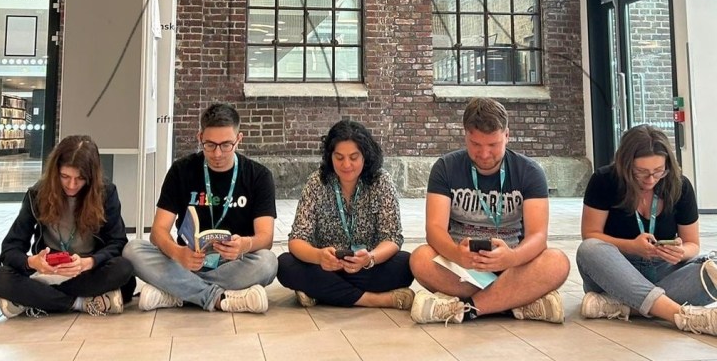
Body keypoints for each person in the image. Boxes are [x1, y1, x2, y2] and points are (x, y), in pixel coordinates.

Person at [409, 97, 570, 324]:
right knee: (420, 258)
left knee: (557, 262)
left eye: (493, 145)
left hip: (513, 266)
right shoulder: (445, 167)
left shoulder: (530, 171)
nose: (484, 154)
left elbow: (538, 236)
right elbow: (434, 229)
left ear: (507, 135)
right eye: (476, 144)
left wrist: (512, 257)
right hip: (463, 268)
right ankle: (512, 302)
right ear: (465, 136)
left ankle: (468, 309)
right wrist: (457, 254)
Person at [123, 103, 278, 313]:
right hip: (187, 261)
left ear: (239, 140)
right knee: (132, 250)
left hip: (233, 264)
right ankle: (217, 297)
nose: (217, 153)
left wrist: (244, 245)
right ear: (200, 138)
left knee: (268, 262)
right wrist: (178, 253)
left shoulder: (258, 176)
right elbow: (158, 232)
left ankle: (177, 292)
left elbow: (266, 238)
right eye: (210, 145)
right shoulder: (181, 170)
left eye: (226, 145)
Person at [577, 124, 717, 335]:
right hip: (616, 272)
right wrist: (632, 247)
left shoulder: (679, 185)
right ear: (625, 165)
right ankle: (682, 316)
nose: (651, 179)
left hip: (663, 269)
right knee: (589, 249)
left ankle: (620, 306)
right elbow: (590, 234)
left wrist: (680, 252)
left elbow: (692, 244)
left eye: (658, 171)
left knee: (713, 267)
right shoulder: (604, 180)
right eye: (640, 172)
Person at [277, 120, 414, 309]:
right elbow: (297, 239)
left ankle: (320, 292)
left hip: (366, 267)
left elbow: (392, 238)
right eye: (339, 157)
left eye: (354, 157)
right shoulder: (317, 182)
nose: (346, 164)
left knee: (406, 264)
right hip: (326, 267)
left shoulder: (381, 182)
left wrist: (370, 258)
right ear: (330, 156)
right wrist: (318, 256)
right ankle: (375, 300)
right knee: (285, 265)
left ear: (365, 156)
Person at [0, 135, 134, 319]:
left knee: (123, 269)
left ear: (91, 177)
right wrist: (32, 262)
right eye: (65, 177)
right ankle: (81, 303)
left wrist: (89, 262)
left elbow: (117, 242)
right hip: (46, 272)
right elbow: (10, 249)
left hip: (86, 272)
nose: (71, 185)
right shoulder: (37, 194)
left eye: (80, 178)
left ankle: (37, 299)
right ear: (56, 172)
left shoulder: (106, 193)